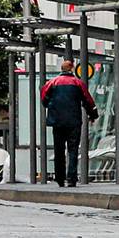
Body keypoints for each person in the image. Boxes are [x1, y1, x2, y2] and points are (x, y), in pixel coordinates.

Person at [40, 56, 96, 188]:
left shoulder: (52, 83)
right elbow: (87, 100)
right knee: (73, 150)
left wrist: (53, 106)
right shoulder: (78, 83)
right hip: (73, 121)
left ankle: (60, 178)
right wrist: (92, 115)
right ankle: (71, 178)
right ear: (72, 69)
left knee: (59, 150)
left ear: (61, 69)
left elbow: (44, 100)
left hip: (57, 121)